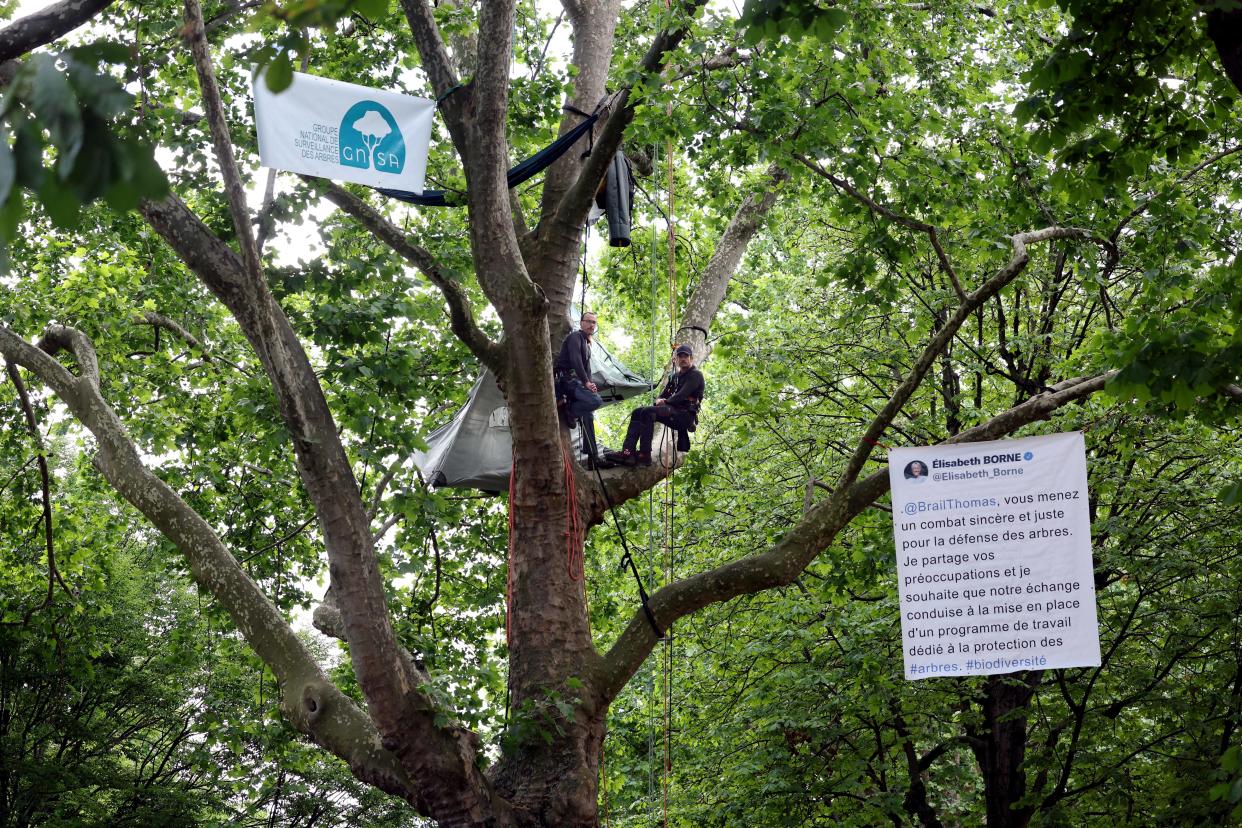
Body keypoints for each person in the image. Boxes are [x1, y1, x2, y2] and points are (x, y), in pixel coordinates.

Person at [607, 344, 704, 467]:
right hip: (671, 411)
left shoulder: (695, 375)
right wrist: (659, 401)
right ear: (676, 359)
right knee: (638, 411)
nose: (683, 359)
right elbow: (663, 395)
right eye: (680, 356)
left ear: (691, 358)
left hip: (683, 416)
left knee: (648, 412)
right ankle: (628, 452)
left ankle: (644, 455)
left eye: (686, 356)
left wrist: (666, 402)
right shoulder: (674, 377)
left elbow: (681, 395)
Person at [554, 311, 605, 466]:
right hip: (565, 381)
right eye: (588, 321)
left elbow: (587, 367)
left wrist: (590, 382)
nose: (591, 325)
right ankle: (570, 410)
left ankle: (593, 458)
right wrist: (586, 382)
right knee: (596, 401)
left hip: (575, 382)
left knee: (589, 416)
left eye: (593, 322)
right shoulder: (575, 337)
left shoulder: (587, 343)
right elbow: (576, 360)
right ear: (581, 322)